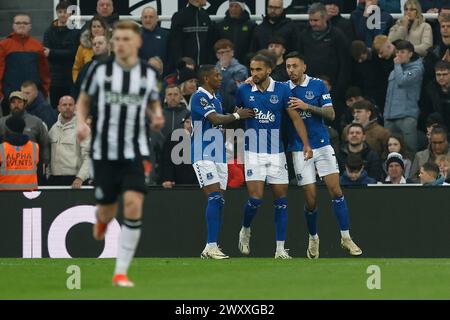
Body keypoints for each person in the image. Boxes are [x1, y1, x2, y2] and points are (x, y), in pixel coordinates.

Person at [76, 20, 162, 287]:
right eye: (118, 39)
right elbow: (84, 100)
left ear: (137, 42)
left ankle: (120, 272)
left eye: (126, 39)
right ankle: (102, 220)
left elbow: (151, 101)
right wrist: (80, 121)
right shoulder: (99, 70)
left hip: (135, 150)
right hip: (103, 152)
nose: (121, 44)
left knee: (135, 204)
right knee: (107, 211)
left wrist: (156, 114)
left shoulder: (148, 73)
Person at [284, 52, 363, 259]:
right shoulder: (283, 89)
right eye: (288, 66)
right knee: (310, 199)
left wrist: (306, 106)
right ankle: (313, 238)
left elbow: (331, 114)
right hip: (299, 148)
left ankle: (346, 237)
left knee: (335, 190)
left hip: (322, 144)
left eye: (294, 66)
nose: (291, 70)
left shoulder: (318, 85)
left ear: (304, 67)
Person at [236, 54, 312, 259]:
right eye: (252, 69)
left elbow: (295, 119)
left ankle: (280, 249)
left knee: (281, 200)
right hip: (253, 151)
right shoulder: (243, 89)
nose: (254, 74)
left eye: (258, 69)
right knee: (255, 199)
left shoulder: (282, 89)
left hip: (277, 153)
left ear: (269, 70)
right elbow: (236, 112)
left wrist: (306, 144)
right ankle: (245, 229)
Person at [191, 65, 254, 259]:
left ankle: (211, 247)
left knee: (220, 201)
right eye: (216, 75)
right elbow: (215, 118)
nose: (220, 77)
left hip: (219, 154)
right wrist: (236, 115)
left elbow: (220, 125)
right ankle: (210, 246)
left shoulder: (216, 99)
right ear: (206, 78)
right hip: (202, 153)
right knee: (215, 198)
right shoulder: (199, 96)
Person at [0, 13, 51, 116]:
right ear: (13, 25)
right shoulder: (4, 45)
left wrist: (44, 91)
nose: (21, 25)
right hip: (10, 96)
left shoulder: (37, 45)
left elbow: (44, 71)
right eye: (18, 23)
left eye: (25, 23)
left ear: (30, 26)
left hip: (33, 98)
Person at [384, 40, 424, 154]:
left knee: (409, 150)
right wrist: (386, 114)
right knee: (389, 152)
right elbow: (388, 94)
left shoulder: (417, 69)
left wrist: (397, 65)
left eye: (402, 52)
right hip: (390, 118)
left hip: (406, 116)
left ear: (410, 54)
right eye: (397, 52)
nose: (399, 55)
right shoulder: (395, 71)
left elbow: (402, 81)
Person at [43, 0, 80, 108]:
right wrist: (61, 53)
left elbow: (73, 53)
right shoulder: (48, 31)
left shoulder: (76, 32)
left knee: (71, 108)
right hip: (54, 78)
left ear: (70, 14)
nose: (62, 14)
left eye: (65, 12)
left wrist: (53, 53)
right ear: (57, 13)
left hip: (70, 77)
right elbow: (46, 52)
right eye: (60, 12)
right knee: (56, 108)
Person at [48, 96, 90, 188]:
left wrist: (80, 178)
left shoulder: (82, 128)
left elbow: (88, 156)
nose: (67, 107)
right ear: (58, 108)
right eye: (64, 105)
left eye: (70, 105)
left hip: (74, 180)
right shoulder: (53, 129)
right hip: (54, 180)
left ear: (75, 107)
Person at [169, 0, 216, 68]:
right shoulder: (179, 16)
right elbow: (175, 44)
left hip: (205, 67)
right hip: (186, 67)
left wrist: (210, 62)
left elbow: (210, 42)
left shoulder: (205, 16)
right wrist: (181, 65)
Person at [0, 115, 39, 191]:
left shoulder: (1, 148)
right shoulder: (35, 147)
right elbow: (39, 170)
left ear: (8, 129)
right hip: (29, 194)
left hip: (5, 196)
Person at [215, 0, 256, 65]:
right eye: (231, 6)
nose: (233, 9)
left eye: (236, 6)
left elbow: (253, 46)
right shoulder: (220, 26)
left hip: (245, 63)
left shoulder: (251, 26)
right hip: (224, 63)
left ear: (242, 9)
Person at [214, 39, 248, 114]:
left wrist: (223, 69)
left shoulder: (241, 69)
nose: (224, 55)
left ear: (232, 52)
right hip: (215, 111)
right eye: (221, 52)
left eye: (227, 51)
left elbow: (231, 88)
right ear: (217, 55)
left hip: (234, 111)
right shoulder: (212, 70)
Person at [72, 15, 110, 82]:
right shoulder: (83, 47)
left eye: (99, 26)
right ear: (90, 29)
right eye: (94, 27)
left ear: (104, 28)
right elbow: (76, 68)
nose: (96, 29)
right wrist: (78, 83)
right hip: (87, 86)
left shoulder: (112, 46)